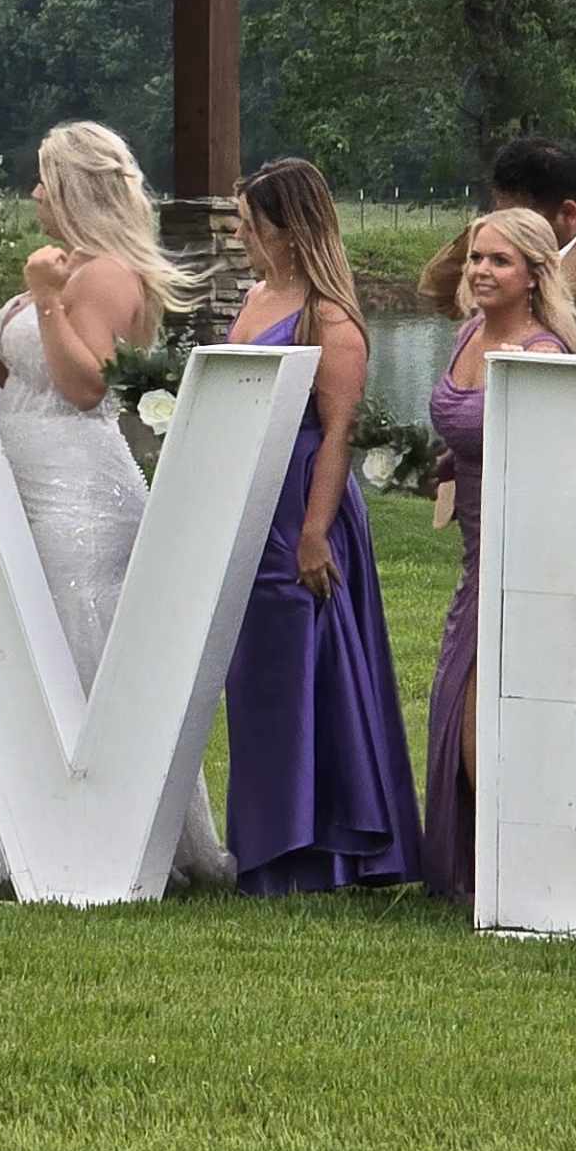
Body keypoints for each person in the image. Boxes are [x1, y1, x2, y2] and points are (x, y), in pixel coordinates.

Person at [0, 120, 233, 895]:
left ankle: (110, 834)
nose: (35, 194)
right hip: (35, 480)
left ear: (75, 189)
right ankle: (55, 823)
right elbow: (32, 383)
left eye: (45, 180)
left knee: (84, 654)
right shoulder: (67, 268)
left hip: (81, 493)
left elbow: (84, 389)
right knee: (42, 653)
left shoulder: (105, 274)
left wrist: (44, 298)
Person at [213, 156, 423, 896]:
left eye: (250, 224)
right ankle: (264, 840)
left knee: (307, 667)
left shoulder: (330, 320)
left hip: (304, 501)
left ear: (289, 230)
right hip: (252, 499)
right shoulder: (257, 299)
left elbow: (337, 433)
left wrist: (312, 534)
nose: (241, 237)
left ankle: (321, 850)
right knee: (257, 674)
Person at [418, 207, 576, 905]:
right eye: (478, 258)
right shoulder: (466, 336)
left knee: (486, 711)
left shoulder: (543, 357)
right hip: (474, 549)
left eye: (500, 261)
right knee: (455, 703)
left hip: (524, 552)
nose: (482, 270)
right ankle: (479, 866)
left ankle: (515, 872)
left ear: (534, 275)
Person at [420, 136, 576, 356]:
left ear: (568, 213)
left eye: (520, 217)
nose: (509, 226)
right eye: (503, 215)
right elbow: (436, 292)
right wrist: (488, 229)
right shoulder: (498, 254)